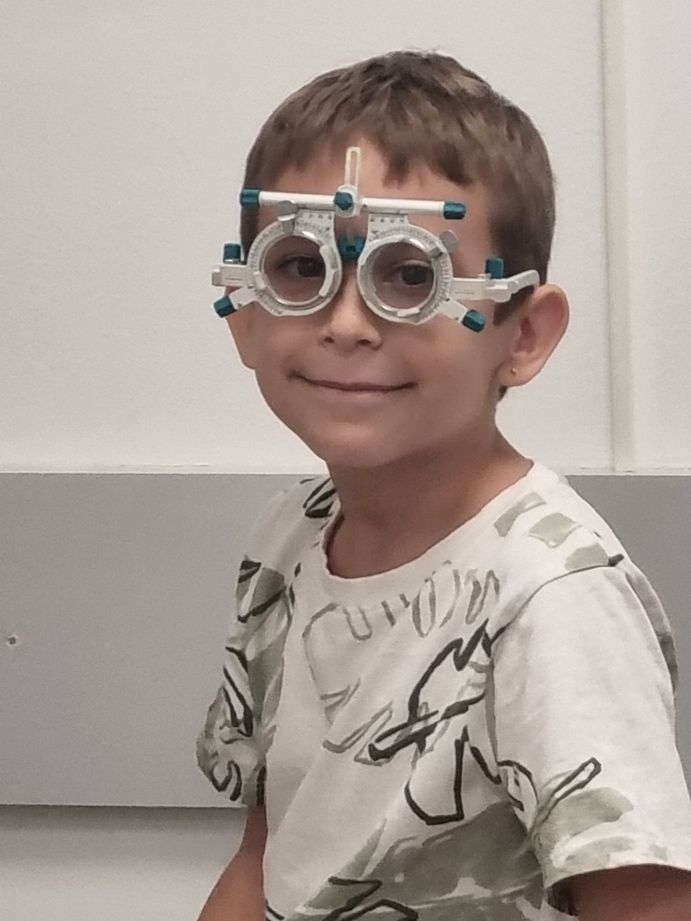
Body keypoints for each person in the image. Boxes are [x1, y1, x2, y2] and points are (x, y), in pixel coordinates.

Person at [195, 50, 691, 921]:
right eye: (301, 267)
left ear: (523, 335)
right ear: (244, 311)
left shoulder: (550, 599)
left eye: (409, 274)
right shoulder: (293, 536)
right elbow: (266, 855)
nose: (347, 323)